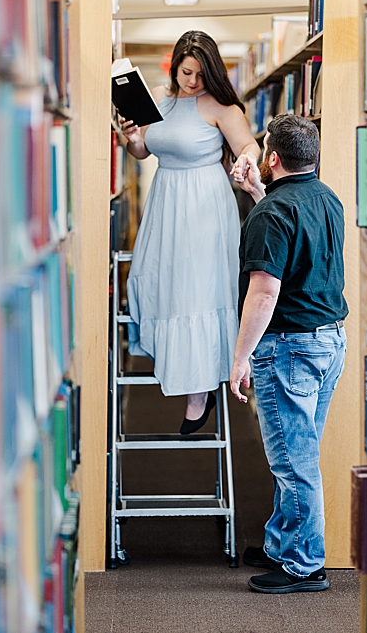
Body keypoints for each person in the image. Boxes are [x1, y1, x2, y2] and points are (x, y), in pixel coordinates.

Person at [228, 113, 347, 595]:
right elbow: (294, 238)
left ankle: (303, 564)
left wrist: (239, 358)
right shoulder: (327, 198)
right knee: (299, 452)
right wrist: (260, 192)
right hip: (328, 341)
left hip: (289, 348)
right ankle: (284, 542)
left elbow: (264, 292)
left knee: (293, 462)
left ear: (272, 158)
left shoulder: (270, 215)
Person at [121, 30, 260, 434]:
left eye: (201, 74)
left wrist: (246, 162)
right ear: (175, 66)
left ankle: (199, 392)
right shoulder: (160, 103)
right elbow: (144, 150)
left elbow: (248, 145)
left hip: (203, 204)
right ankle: (175, 363)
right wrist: (132, 139)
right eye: (186, 72)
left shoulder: (220, 106)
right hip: (165, 199)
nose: (193, 81)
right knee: (159, 280)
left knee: (196, 290)